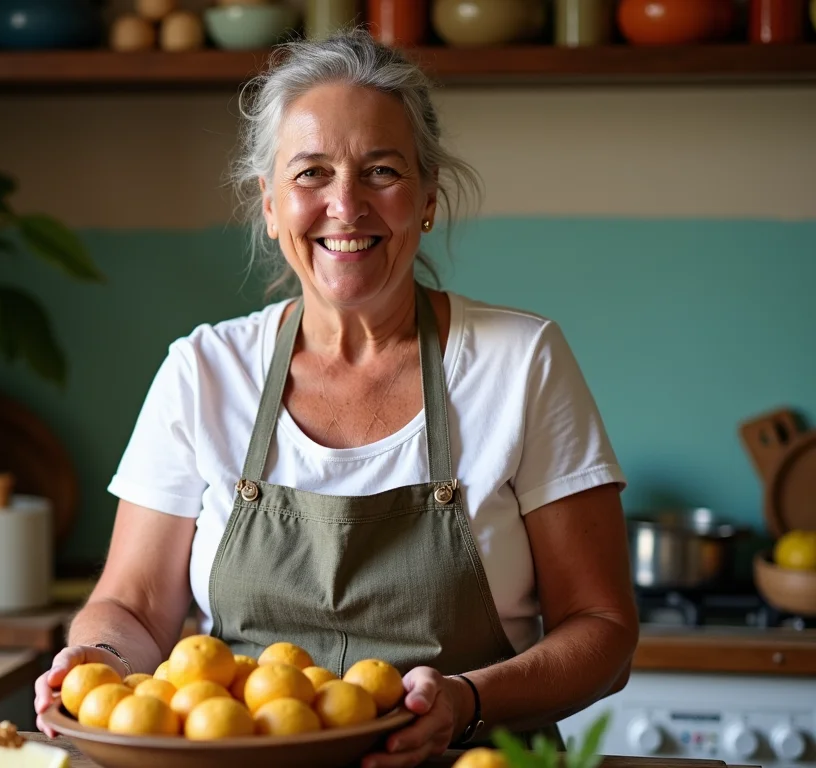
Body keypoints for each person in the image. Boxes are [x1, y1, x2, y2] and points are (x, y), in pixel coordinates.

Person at [34, 28, 638, 768]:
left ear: (426, 199)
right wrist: (95, 659)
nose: (345, 205)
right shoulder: (204, 371)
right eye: (311, 173)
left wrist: (467, 700)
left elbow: (602, 630)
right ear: (269, 204)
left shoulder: (521, 361)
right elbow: (130, 607)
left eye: (380, 171)